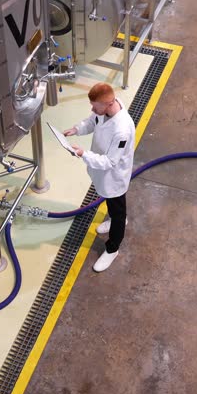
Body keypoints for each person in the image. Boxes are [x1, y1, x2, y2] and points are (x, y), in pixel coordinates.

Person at [64, 82, 136, 272]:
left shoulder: (122, 130)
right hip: (102, 173)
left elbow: (110, 162)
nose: (92, 109)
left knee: (118, 208)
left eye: (95, 106)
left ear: (109, 103)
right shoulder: (104, 111)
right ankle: (113, 219)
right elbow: (92, 121)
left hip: (114, 176)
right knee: (111, 203)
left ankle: (113, 248)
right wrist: (76, 129)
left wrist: (83, 154)